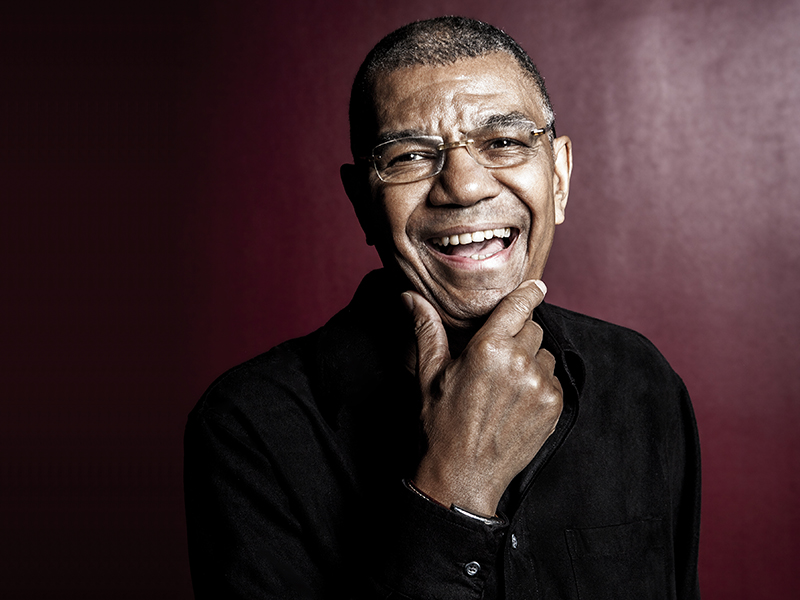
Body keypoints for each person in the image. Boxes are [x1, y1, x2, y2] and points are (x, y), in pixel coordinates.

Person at [184, 16, 701, 600]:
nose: (465, 186)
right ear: (361, 203)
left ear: (558, 177)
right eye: (409, 156)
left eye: (503, 143)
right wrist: (458, 486)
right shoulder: (249, 427)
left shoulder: (640, 382)